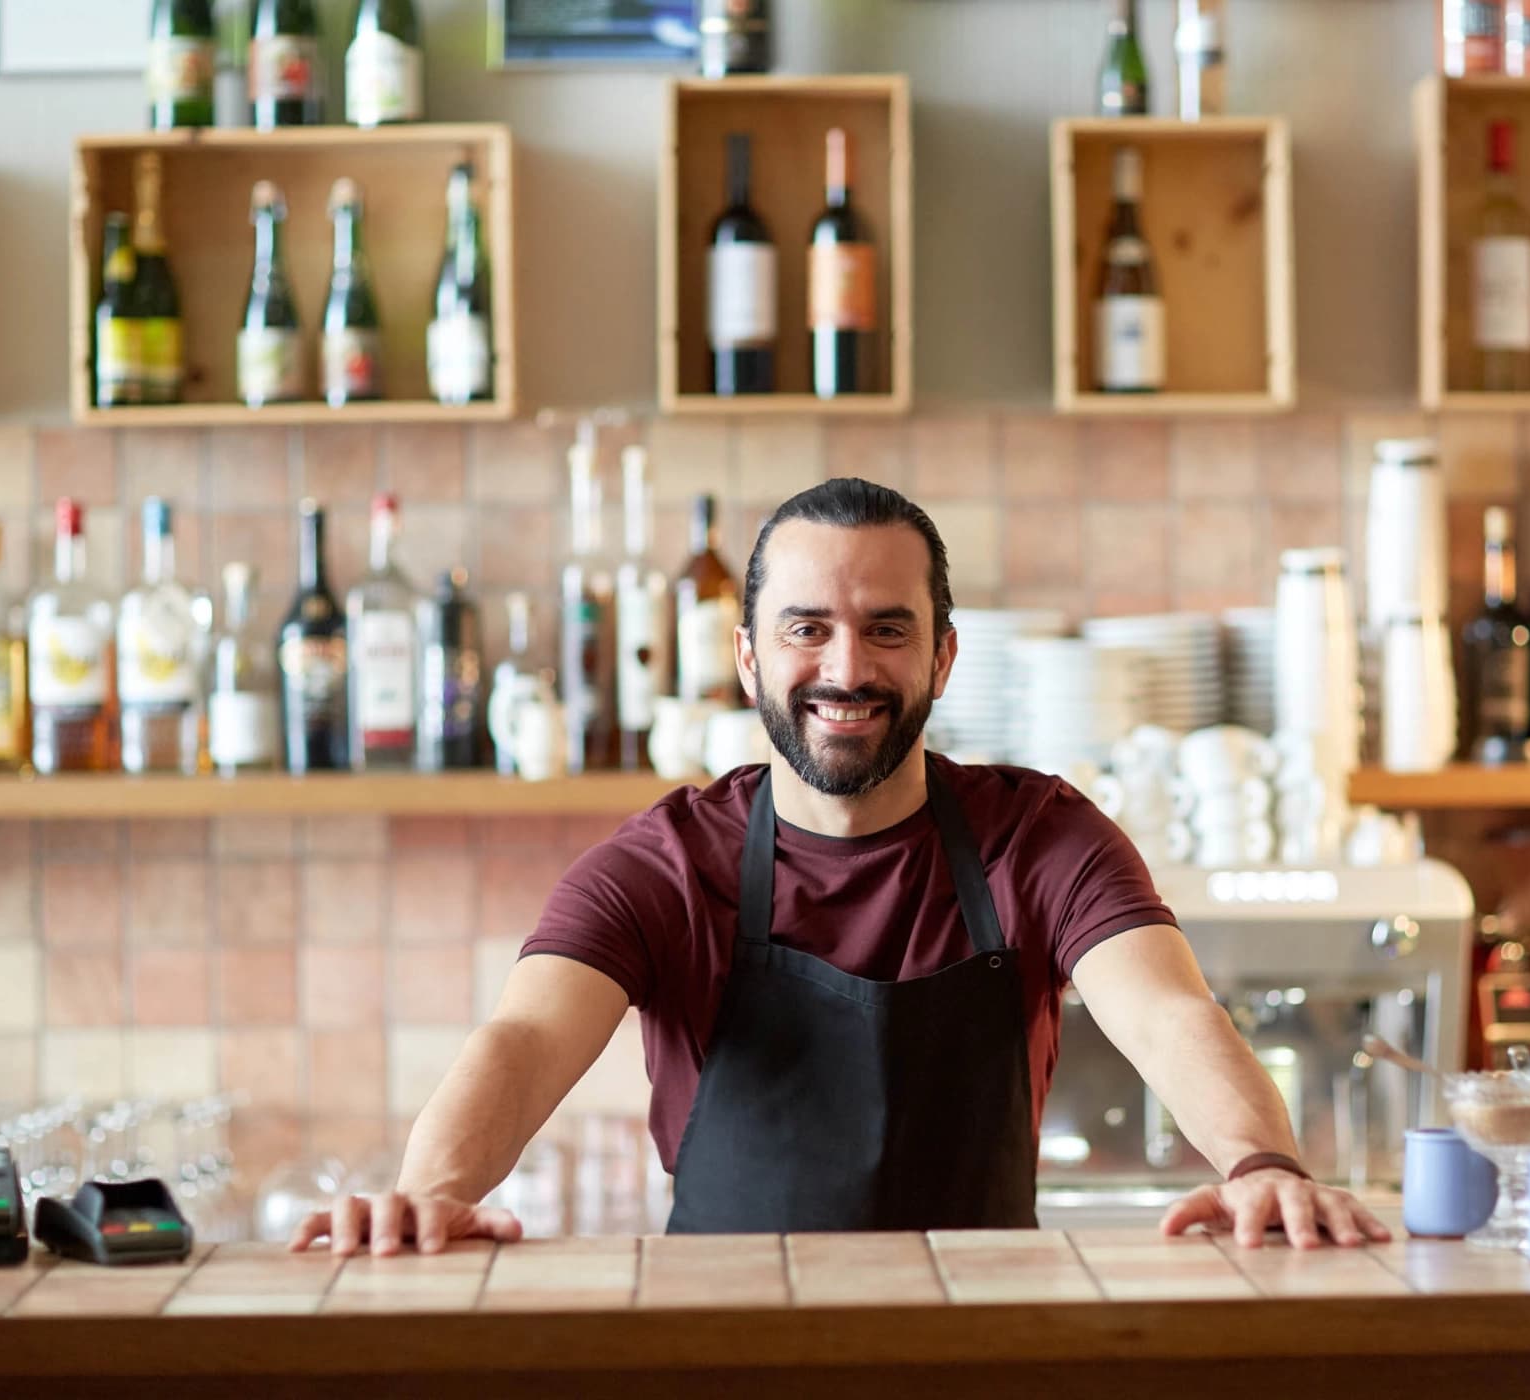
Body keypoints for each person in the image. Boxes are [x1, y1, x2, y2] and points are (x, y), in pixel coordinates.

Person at [292, 477, 1388, 1256]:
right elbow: (527, 1035)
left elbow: (1167, 1013)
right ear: (748, 654)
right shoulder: (671, 860)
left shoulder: (1040, 837)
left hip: (989, 1363)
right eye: (806, 627)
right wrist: (426, 1194)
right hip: (721, 1367)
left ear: (945, 655)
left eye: (888, 629)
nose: (846, 667)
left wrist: (1261, 1165)